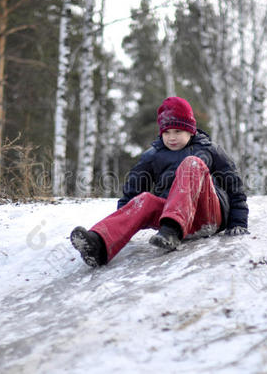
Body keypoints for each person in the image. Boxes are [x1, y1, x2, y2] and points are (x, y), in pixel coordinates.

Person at [70, 96, 249, 267]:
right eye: (167, 132)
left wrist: (238, 222)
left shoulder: (208, 149)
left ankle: (173, 229)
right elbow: (134, 188)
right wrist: (123, 223)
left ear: (190, 130)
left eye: (177, 131)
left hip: (207, 215)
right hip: (168, 219)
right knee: (146, 199)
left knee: (191, 164)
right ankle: (99, 244)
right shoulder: (153, 155)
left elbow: (232, 183)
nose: (172, 137)